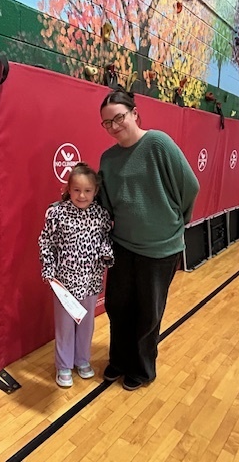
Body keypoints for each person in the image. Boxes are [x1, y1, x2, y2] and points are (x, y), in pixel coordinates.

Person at [98, 87, 200, 391]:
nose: (115, 127)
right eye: (107, 123)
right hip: (123, 245)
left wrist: (177, 221)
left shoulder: (158, 143)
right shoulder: (108, 158)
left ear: (134, 114)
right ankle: (118, 360)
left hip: (160, 249)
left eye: (119, 118)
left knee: (148, 311)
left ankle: (142, 368)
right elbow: (106, 202)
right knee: (118, 306)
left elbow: (189, 186)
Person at [38, 162, 114, 388]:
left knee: (86, 323)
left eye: (88, 190)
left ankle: (82, 360)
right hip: (64, 283)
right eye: (77, 190)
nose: (82, 195)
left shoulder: (101, 215)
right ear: (68, 189)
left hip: (91, 281)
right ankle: (63, 365)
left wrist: (106, 253)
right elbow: (46, 242)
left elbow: (106, 240)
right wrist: (49, 271)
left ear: (96, 191)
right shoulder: (56, 213)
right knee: (64, 326)